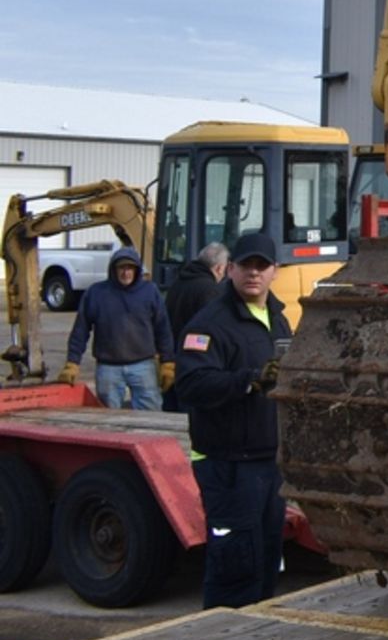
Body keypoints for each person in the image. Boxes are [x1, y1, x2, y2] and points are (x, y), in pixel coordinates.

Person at [173, 231, 290, 609]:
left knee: (267, 558)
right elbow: (190, 384)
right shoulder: (209, 324)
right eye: (246, 266)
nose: (253, 273)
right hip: (226, 465)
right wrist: (249, 380)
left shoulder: (279, 319)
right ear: (230, 270)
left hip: (268, 463)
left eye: (262, 266)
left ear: (275, 271)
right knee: (235, 566)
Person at [57, 246, 172, 410]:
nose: (126, 273)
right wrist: (72, 362)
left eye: (130, 268)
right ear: (113, 269)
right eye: (121, 268)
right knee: (108, 418)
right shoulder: (96, 293)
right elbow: (80, 330)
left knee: (151, 415)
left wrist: (168, 362)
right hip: (108, 368)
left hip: (144, 365)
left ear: (137, 270)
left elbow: (163, 329)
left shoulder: (150, 292)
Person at [161, 243, 227, 413]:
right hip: (195, 362)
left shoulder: (178, 284)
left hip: (173, 357)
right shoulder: (210, 290)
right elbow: (211, 329)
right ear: (219, 268)